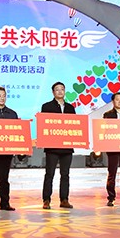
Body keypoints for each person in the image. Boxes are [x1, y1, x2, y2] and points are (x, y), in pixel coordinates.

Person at [41, 81, 76, 209]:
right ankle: (46, 200)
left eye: (62, 89)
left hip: (67, 147)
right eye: (57, 89)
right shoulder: (46, 107)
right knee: (49, 174)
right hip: (52, 147)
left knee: (65, 174)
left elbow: (75, 125)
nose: (60, 91)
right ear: (53, 92)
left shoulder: (70, 108)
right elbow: (45, 125)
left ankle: (64, 199)